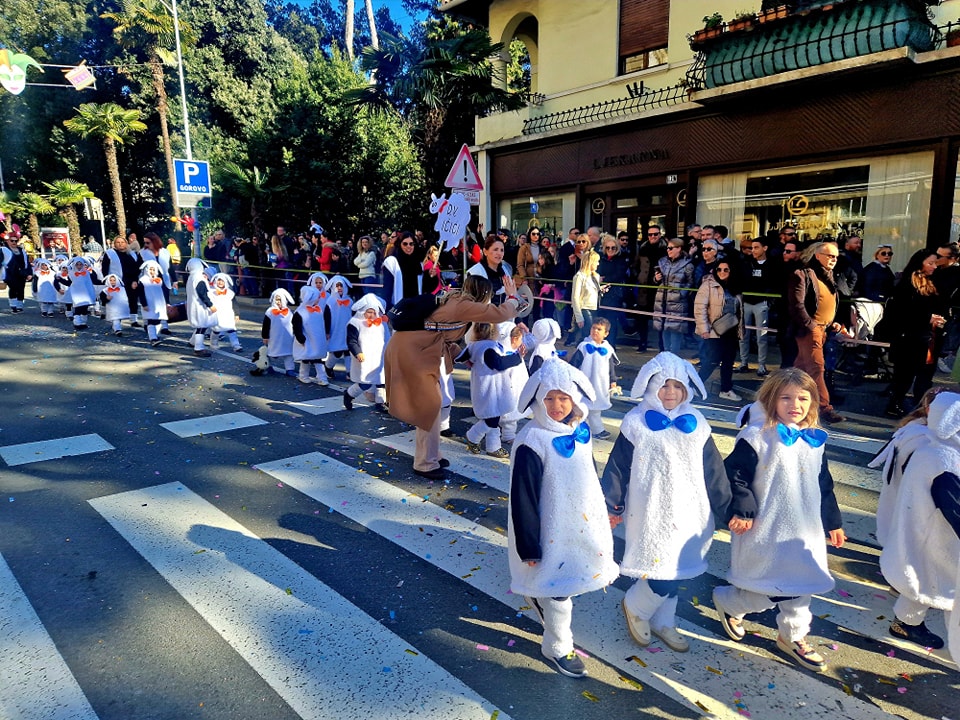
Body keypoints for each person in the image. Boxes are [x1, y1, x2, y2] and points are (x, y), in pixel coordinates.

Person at [713, 368, 846, 673]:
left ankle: (793, 635)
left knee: (801, 583)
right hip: (769, 526)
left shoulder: (814, 440)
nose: (794, 404)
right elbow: (735, 475)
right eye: (785, 397)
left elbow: (822, 482)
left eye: (802, 398)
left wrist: (832, 521)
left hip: (804, 528)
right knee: (771, 586)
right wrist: (744, 510)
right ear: (771, 400)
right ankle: (732, 602)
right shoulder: (757, 437)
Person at [602, 351, 730, 653]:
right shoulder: (636, 423)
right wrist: (612, 504)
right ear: (649, 385)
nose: (670, 393)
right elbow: (618, 466)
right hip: (651, 510)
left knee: (679, 568)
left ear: (687, 388)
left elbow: (714, 469)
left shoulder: (697, 423)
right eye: (663, 385)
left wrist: (728, 509)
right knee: (661, 567)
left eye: (677, 386)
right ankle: (636, 606)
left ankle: (664, 620)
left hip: (690, 510)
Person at [508, 359, 620, 678]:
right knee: (560, 589)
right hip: (548, 529)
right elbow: (523, 496)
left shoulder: (579, 430)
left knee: (569, 579)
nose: (557, 406)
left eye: (563, 398)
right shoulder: (532, 441)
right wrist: (529, 547)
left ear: (574, 400)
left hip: (578, 525)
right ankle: (557, 645)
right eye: (549, 398)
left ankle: (540, 597)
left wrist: (604, 511)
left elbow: (588, 474)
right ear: (538, 400)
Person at [384, 274, 522, 480]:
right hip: (413, 352)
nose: (489, 301)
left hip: (418, 349)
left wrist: (462, 355)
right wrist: (512, 298)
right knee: (429, 405)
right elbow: (499, 314)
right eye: (489, 296)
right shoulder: (463, 304)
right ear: (483, 294)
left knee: (433, 404)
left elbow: (442, 333)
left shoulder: (455, 300)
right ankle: (425, 463)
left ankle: (432, 455)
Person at [878, 391, 960, 650]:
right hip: (936, 535)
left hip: (928, 533)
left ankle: (906, 623)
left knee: (925, 579)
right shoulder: (944, 459)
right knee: (944, 587)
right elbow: (955, 507)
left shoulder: (936, 447)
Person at [786, 241, 847, 424]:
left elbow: (829, 303)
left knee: (799, 370)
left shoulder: (829, 277)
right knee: (816, 368)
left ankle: (776, 396)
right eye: (830, 256)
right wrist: (811, 326)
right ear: (817, 255)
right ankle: (824, 408)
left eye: (836, 257)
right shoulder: (802, 275)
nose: (833, 260)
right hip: (810, 330)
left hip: (822, 329)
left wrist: (833, 323)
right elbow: (797, 304)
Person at [883, 249, 947, 418]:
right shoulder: (906, 284)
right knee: (904, 375)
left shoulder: (932, 281)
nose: (934, 267)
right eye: (930, 263)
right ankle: (895, 403)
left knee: (925, 375)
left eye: (935, 263)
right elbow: (902, 313)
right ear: (920, 263)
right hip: (910, 338)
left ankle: (922, 407)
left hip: (929, 337)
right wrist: (928, 318)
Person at [460, 321, 526, 458]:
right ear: (492, 332)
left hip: (481, 385)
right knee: (492, 419)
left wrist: (470, 362)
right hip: (492, 388)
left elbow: (461, 357)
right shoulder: (488, 347)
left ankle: (493, 446)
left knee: (493, 417)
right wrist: (517, 357)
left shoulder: (474, 345)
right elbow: (499, 364)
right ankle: (473, 436)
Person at [695, 261, 743, 402]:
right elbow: (700, 308)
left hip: (731, 330)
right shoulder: (708, 285)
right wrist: (704, 329)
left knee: (728, 361)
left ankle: (726, 389)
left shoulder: (735, 287)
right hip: (713, 330)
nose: (722, 272)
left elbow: (739, 310)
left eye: (726, 269)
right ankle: (694, 385)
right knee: (712, 360)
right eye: (719, 269)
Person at [569, 317, 619, 439]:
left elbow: (611, 367)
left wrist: (613, 381)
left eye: (599, 329)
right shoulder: (584, 346)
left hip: (600, 384)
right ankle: (576, 427)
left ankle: (597, 429)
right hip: (584, 382)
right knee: (582, 406)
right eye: (593, 328)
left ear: (606, 334)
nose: (595, 331)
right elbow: (575, 363)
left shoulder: (608, 349)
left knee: (596, 408)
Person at [737, 237, 779, 376]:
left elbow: (774, 284)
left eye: (756, 247)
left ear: (765, 248)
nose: (753, 250)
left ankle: (761, 365)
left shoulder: (773, 265)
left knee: (762, 336)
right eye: (751, 248)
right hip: (746, 302)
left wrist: (769, 301)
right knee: (743, 335)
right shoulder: (746, 263)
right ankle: (743, 363)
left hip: (762, 303)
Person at [343, 293, 390, 410]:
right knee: (365, 382)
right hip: (364, 357)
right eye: (369, 312)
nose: (372, 315)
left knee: (381, 380)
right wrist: (357, 352)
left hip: (380, 356)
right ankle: (349, 394)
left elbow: (387, 338)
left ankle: (380, 402)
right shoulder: (355, 323)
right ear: (363, 310)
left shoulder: (380, 323)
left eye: (374, 312)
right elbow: (352, 341)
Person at [652, 238, 695, 355]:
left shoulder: (687, 264)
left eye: (671, 248)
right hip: (662, 301)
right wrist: (656, 278)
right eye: (667, 248)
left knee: (675, 333)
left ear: (679, 248)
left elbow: (691, 283)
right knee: (664, 330)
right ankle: (665, 359)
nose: (668, 250)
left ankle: (674, 362)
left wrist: (681, 294)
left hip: (677, 303)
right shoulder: (663, 261)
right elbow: (657, 280)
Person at [292, 285, 330, 385]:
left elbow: (322, 324)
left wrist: (325, 333)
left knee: (318, 358)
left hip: (317, 339)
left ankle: (321, 377)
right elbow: (296, 328)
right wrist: (301, 339)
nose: (319, 299)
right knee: (306, 358)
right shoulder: (300, 312)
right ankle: (303, 375)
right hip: (307, 340)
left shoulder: (318, 310)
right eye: (317, 297)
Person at [598, 233, 629, 347]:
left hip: (614, 293)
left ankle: (611, 345)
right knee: (600, 320)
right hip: (601, 293)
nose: (610, 250)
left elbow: (619, 275)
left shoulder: (621, 260)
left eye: (613, 248)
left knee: (611, 320)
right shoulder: (601, 259)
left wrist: (604, 279)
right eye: (608, 247)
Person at [102, 236, 140, 327]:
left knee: (133, 300)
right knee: (116, 302)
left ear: (126, 243)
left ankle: (134, 320)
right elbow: (105, 269)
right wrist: (107, 281)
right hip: (117, 282)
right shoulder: (110, 253)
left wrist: (135, 280)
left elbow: (136, 269)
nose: (120, 244)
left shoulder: (133, 254)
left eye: (122, 242)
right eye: (118, 242)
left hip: (131, 281)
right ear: (114, 244)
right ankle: (116, 323)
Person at [568, 249, 602, 347]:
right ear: (590, 262)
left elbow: (593, 291)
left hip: (594, 308)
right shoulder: (579, 276)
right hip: (584, 308)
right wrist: (578, 317)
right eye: (596, 261)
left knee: (590, 334)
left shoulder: (596, 276)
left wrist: (601, 289)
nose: (598, 264)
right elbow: (575, 297)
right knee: (588, 334)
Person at [184, 258, 218, 357]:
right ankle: (198, 348)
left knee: (200, 325)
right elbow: (202, 293)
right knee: (202, 327)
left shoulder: (191, 277)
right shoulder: (199, 278)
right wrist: (210, 305)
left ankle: (193, 341)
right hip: (200, 306)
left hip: (194, 305)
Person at [467, 236, 514, 306]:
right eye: (495, 249)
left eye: (502, 250)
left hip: (504, 314)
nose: (499, 253)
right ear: (485, 251)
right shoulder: (475, 272)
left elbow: (512, 294)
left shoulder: (504, 270)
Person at [382, 231, 423, 310]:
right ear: (399, 244)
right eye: (405, 244)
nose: (408, 246)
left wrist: (432, 276)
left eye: (411, 244)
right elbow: (387, 289)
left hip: (415, 307)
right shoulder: (391, 262)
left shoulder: (419, 263)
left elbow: (424, 286)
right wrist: (387, 310)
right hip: (398, 307)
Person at [323, 275, 353, 380]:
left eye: (341, 286)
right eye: (337, 286)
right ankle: (328, 366)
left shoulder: (349, 301)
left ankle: (350, 372)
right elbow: (326, 317)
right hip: (335, 330)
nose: (339, 288)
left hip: (347, 330)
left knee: (348, 351)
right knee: (337, 351)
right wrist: (327, 331)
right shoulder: (330, 302)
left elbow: (353, 315)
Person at [207, 272, 242, 353]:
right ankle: (213, 343)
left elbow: (234, 304)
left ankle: (236, 345)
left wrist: (237, 314)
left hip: (228, 314)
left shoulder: (230, 293)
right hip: (217, 314)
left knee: (231, 330)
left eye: (222, 281)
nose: (220, 282)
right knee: (216, 330)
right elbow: (208, 303)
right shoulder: (211, 293)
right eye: (219, 280)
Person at [138, 260, 169, 347]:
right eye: (150, 269)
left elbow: (164, 292)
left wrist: (167, 302)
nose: (152, 272)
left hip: (159, 304)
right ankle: (153, 338)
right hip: (149, 304)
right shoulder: (143, 280)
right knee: (151, 320)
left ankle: (155, 335)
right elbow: (141, 294)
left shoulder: (159, 280)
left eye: (154, 269)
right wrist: (144, 304)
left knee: (158, 320)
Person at [2, 233, 32, 313]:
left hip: (22, 273)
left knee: (21, 289)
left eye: (16, 240)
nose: (14, 242)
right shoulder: (4, 250)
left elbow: (26, 262)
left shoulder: (21, 250)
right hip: (10, 272)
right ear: (7, 241)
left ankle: (19, 305)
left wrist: (29, 273)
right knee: (13, 288)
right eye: (12, 240)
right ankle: (13, 305)